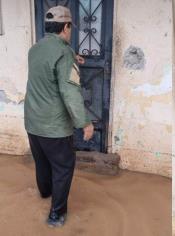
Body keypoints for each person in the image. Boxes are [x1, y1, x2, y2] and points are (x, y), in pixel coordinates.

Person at [24, 6, 94, 227]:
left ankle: (44, 193)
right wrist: (84, 122)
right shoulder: (63, 54)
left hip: (33, 122)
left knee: (42, 161)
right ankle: (56, 215)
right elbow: (70, 92)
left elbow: (51, 57)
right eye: (70, 27)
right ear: (66, 26)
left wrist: (73, 56)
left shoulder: (35, 49)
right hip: (54, 127)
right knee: (63, 167)